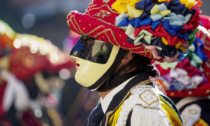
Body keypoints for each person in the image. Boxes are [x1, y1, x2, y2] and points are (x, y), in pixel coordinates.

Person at [67, 0, 201, 125]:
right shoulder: (125, 104)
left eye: (90, 43)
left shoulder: (142, 111)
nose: (74, 52)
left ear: (127, 55)